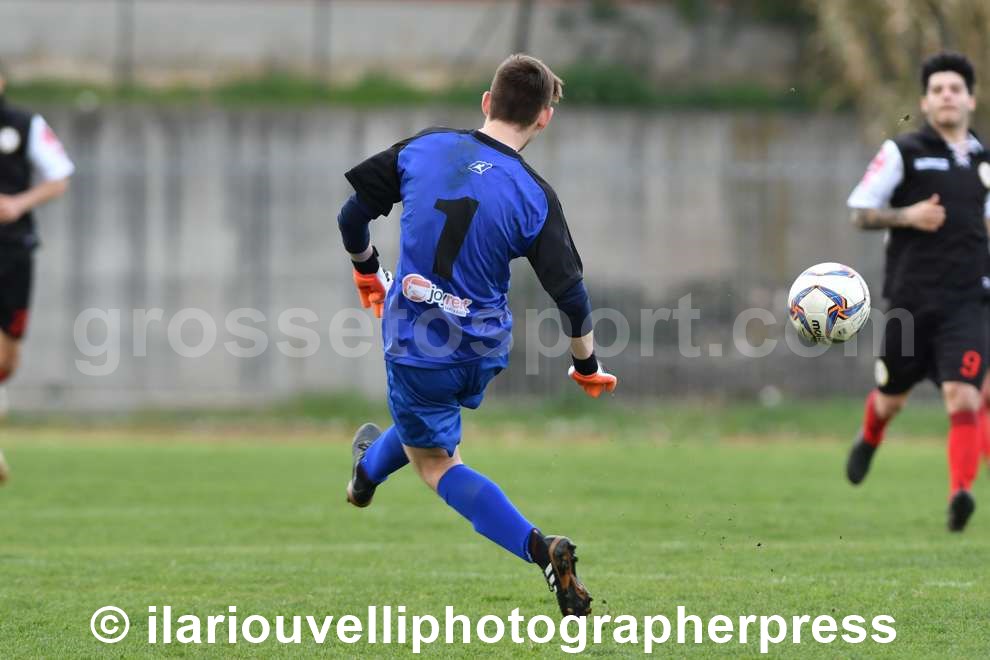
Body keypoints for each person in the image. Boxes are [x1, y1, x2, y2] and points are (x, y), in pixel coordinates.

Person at [336, 54, 616, 616]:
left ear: (487, 101)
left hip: (419, 345)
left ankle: (541, 549)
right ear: (543, 118)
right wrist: (587, 367)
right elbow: (572, 297)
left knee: (437, 464)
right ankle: (363, 474)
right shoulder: (535, 194)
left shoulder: (423, 148)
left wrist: (366, 269)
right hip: (484, 347)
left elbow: (351, 218)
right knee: (426, 430)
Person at [844, 52, 990, 532]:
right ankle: (871, 435)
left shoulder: (984, 162)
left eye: (955, 88)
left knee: (963, 397)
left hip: (968, 302)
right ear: (925, 102)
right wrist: (908, 216)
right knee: (892, 398)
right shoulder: (902, 151)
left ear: (971, 99)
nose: (947, 96)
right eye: (938, 89)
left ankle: (960, 494)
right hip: (910, 303)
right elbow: (860, 211)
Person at [0, 61, 75, 484]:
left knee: (7, 358)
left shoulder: (24, 125)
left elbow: (60, 176)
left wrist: (18, 204)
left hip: (13, 250)